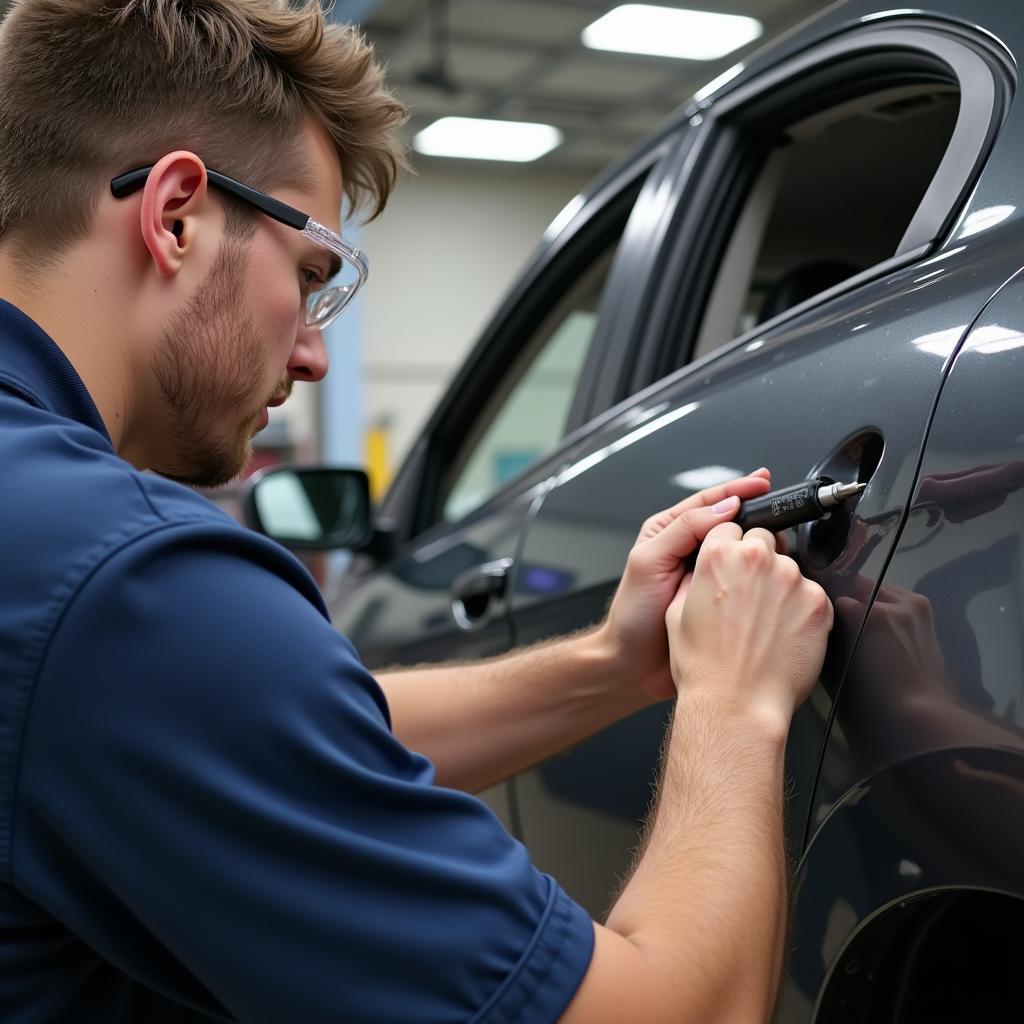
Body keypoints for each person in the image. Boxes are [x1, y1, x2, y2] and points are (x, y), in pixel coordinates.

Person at [0, 1, 833, 1021]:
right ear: (175, 213)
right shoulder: (118, 581)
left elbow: (269, 734)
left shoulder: (53, 560)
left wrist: (614, 666)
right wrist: (732, 701)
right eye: (310, 276)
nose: (310, 352)